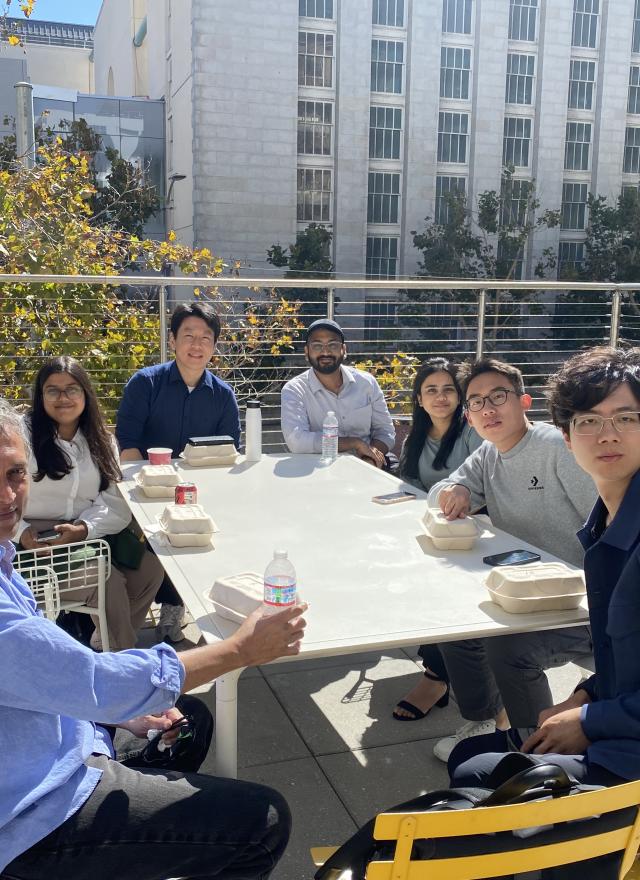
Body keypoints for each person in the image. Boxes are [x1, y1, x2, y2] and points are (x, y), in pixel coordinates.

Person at [0, 397, 307, 878]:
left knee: (191, 719)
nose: (7, 496)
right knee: (264, 821)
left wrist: (120, 714)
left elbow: (47, 671)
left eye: (15, 475)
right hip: (31, 813)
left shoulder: (4, 557)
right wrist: (239, 650)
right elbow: (91, 681)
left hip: (53, 745)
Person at [450, 345, 640, 791]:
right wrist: (584, 696)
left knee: (475, 776)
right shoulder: (606, 523)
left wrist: (591, 720)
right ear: (569, 435)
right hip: (617, 723)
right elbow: (625, 661)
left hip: (628, 760)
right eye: (589, 421)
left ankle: (593, 850)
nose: (607, 434)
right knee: (469, 758)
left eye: (626, 418)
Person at [427, 358, 596, 762]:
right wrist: (459, 491)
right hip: (527, 588)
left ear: (524, 401)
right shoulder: (489, 453)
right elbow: (441, 491)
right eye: (477, 402)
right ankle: (485, 720)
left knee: (512, 650)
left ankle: (533, 752)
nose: (488, 409)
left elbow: (606, 526)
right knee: (457, 621)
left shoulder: (557, 449)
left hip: (581, 602)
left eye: (498, 397)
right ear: (468, 416)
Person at [17, 357, 162, 652]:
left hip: (85, 535)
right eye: (52, 390)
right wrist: (21, 532)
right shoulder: (21, 436)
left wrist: (84, 529)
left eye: (72, 389)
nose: (63, 398)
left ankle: (102, 642)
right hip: (30, 543)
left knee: (150, 570)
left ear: (85, 394)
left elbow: (115, 502)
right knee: (105, 580)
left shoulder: (101, 439)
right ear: (40, 395)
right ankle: (122, 660)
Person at [116, 301, 240, 643]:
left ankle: (175, 604)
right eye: (188, 335)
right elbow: (127, 444)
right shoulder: (145, 384)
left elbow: (228, 451)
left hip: (200, 489)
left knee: (202, 532)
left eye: (205, 337)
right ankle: (129, 611)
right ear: (172, 340)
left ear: (214, 346)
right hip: (146, 489)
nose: (196, 345)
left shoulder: (223, 396)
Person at [393, 358, 483, 721]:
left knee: (436, 582)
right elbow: (409, 485)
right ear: (419, 398)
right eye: (431, 390)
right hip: (429, 526)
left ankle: (435, 676)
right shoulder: (417, 436)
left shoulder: (471, 432)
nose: (440, 396)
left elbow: (483, 484)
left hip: (470, 530)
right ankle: (439, 668)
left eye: (448, 389)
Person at [280, 318, 395, 467]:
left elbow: (386, 431)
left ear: (344, 350)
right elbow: (297, 441)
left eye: (333, 345)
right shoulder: (294, 390)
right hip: (318, 466)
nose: (325, 352)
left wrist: (370, 456)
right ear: (307, 352)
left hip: (368, 462)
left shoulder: (367, 383)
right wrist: (354, 443)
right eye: (317, 346)